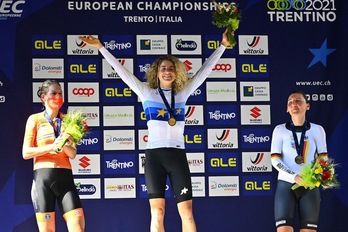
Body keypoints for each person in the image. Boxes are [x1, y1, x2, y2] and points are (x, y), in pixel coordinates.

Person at [79, 29, 231, 232]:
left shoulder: (183, 93)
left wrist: (222, 46)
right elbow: (122, 72)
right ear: (156, 73)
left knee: (186, 213)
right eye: (163, 68)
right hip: (154, 157)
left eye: (170, 68)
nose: (167, 71)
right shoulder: (146, 92)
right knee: (157, 212)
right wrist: (101, 48)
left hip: (177, 155)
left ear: (176, 72)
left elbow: (205, 71)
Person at [22, 80, 85, 232]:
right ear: (43, 97)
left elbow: (73, 154)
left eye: (60, 93)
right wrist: (52, 146)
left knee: (78, 227)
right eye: (53, 93)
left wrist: (66, 142)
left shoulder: (68, 121)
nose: (58, 97)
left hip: (65, 178)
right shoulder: (35, 119)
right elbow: (26, 152)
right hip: (43, 179)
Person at [270, 89, 329, 232]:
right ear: (286, 108)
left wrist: (315, 176)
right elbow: (275, 159)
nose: (293, 104)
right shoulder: (279, 130)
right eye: (290, 102)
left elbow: (323, 158)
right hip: (286, 184)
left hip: (309, 185)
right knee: (284, 230)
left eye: (298, 101)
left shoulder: (317, 130)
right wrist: (293, 176)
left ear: (307, 106)